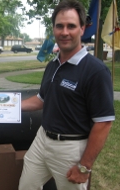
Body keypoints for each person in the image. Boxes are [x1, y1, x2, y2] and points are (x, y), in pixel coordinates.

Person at [18, 0, 115, 190]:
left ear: (82, 28)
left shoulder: (96, 71)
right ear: (53, 29)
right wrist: (9, 106)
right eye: (59, 26)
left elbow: (103, 123)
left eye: (71, 26)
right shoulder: (53, 65)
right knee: (26, 187)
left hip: (71, 149)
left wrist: (84, 166)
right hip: (41, 141)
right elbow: (41, 100)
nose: (64, 32)